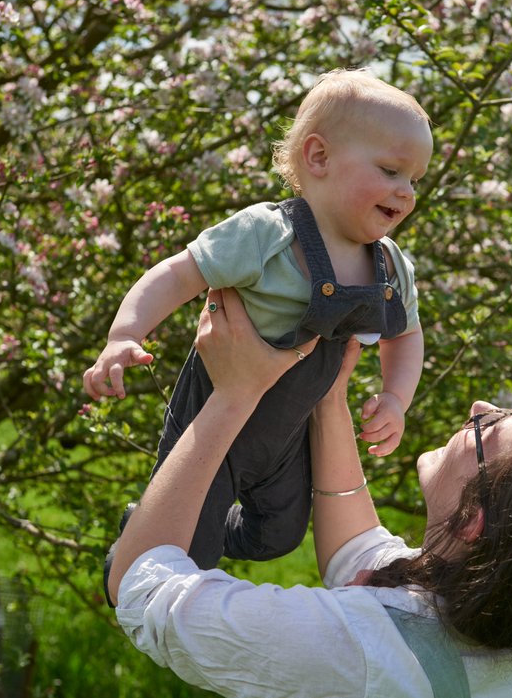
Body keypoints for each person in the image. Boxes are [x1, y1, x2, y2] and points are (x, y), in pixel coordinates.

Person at [108, 288, 512, 697]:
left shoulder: (358, 652)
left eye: (496, 427)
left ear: (472, 521)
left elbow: (145, 591)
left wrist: (233, 395)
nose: (481, 406)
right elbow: (362, 556)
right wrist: (329, 395)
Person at [84, 70, 431, 584]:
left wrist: (395, 397)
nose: (405, 192)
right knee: (188, 554)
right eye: (390, 171)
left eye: (414, 180)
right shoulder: (268, 234)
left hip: (288, 433)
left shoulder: (389, 266)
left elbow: (407, 334)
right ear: (318, 158)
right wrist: (124, 336)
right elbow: (177, 274)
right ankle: (143, 539)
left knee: (279, 536)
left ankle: (162, 522)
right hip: (214, 417)